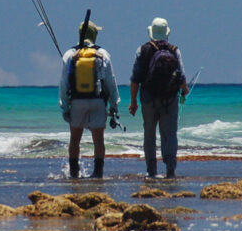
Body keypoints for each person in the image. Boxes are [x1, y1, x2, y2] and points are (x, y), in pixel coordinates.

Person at [128, 17, 190, 178]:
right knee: (169, 133)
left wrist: (133, 102)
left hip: (148, 98)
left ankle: (151, 170)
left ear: (151, 33)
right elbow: (182, 76)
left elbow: (135, 79)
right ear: (166, 33)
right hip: (169, 99)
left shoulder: (142, 50)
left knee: (149, 134)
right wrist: (185, 90)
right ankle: (170, 169)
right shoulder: (175, 50)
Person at [58, 20, 119, 178]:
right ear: (94, 35)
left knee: (75, 139)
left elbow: (64, 85)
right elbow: (111, 83)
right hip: (98, 101)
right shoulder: (103, 54)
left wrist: (65, 108)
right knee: (98, 140)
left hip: (77, 101)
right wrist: (114, 105)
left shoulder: (70, 54)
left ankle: (74, 174)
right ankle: (97, 173)